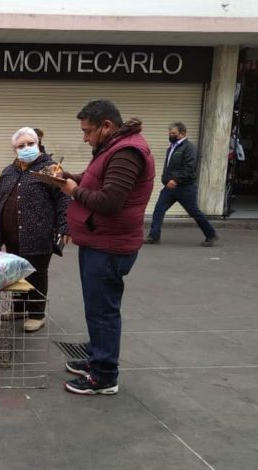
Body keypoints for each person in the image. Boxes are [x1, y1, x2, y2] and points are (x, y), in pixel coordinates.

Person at [53, 100, 155, 395]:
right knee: (96, 307)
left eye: (88, 131)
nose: (85, 138)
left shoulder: (127, 152)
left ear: (107, 126)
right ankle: (97, 355)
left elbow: (109, 201)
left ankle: (104, 375)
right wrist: (68, 177)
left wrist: (73, 192)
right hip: (99, 240)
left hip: (110, 245)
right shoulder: (112, 147)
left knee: (103, 311)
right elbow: (95, 179)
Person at [0, 127, 70, 333]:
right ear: (15, 150)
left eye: (30, 143)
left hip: (39, 233)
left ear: (38, 144)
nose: (26, 148)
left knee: (36, 274)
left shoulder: (49, 168)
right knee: (16, 272)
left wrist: (65, 227)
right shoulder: (8, 171)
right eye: (21, 146)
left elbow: (63, 199)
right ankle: (19, 308)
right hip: (11, 234)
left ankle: (37, 314)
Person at [145, 122, 219, 247]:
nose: (171, 135)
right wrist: (166, 179)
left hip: (185, 187)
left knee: (194, 212)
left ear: (183, 133)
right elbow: (169, 166)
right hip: (170, 187)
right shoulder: (172, 147)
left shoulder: (189, 148)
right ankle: (153, 236)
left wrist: (176, 180)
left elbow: (189, 167)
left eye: (174, 133)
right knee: (159, 209)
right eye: (170, 133)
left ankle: (211, 235)